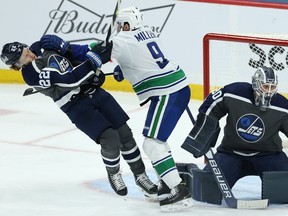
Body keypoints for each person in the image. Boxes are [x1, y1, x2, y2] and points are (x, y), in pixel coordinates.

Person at [0, 35, 158, 199]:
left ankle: (140, 176)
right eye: (22, 58)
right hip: (75, 106)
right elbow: (69, 80)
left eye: (25, 50)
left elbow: (78, 54)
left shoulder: (40, 45)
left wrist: (68, 47)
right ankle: (114, 173)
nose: (28, 54)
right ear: (16, 66)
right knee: (110, 138)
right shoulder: (31, 75)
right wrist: (92, 63)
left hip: (96, 93)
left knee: (125, 134)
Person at [101, 6, 192, 211]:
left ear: (126, 24)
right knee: (156, 141)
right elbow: (142, 58)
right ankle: (167, 185)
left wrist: (67, 49)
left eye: (119, 24)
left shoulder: (121, 40)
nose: (118, 28)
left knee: (152, 144)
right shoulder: (146, 32)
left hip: (168, 92)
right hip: (174, 87)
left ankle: (178, 190)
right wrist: (125, 69)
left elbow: (97, 51)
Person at [182, 66, 288, 190]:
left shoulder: (282, 106)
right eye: (265, 86)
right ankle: (189, 171)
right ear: (255, 84)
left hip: (269, 155)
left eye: (272, 87)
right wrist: (204, 133)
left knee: (284, 193)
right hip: (231, 153)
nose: (269, 92)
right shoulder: (235, 93)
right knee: (206, 189)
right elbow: (211, 105)